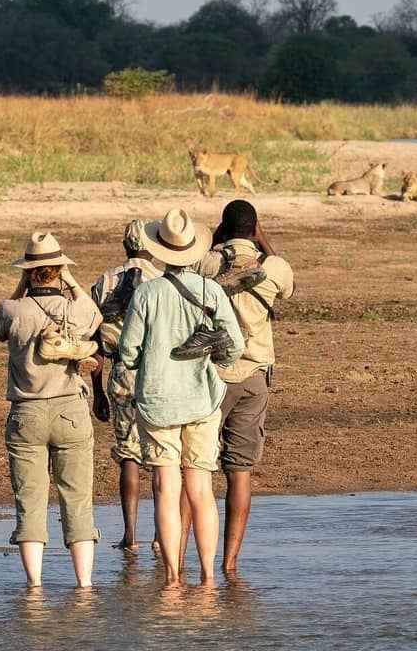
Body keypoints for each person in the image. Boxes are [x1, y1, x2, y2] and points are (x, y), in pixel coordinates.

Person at [117, 208, 244, 586]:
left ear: (161, 250)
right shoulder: (211, 291)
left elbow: (128, 352)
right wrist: (213, 358)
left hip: (157, 402)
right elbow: (235, 347)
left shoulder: (146, 293)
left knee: (166, 490)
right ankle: (208, 577)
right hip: (201, 399)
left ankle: (172, 578)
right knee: (201, 490)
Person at [0, 232, 103, 588]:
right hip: (70, 409)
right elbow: (95, 313)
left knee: (29, 502)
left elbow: (1, 329)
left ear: (28, 272)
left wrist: (21, 285)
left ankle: (35, 587)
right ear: (58, 270)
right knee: (78, 500)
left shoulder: (12, 309)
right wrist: (70, 280)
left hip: (26, 412)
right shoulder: (74, 309)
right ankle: (84, 585)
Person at [198, 199, 294, 572]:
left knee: (197, 470)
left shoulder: (207, 264)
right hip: (254, 375)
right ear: (254, 229)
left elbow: (193, 267)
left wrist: (216, 242)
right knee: (239, 471)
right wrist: (263, 240)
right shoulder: (274, 268)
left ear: (223, 228)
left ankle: (187, 560)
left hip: (212, 377)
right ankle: (229, 563)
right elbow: (288, 285)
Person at [89, 220, 162, 553]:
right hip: (157, 372)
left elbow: (94, 342)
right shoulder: (162, 280)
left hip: (121, 371)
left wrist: (97, 391)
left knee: (128, 454)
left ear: (125, 246)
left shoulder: (104, 281)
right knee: (161, 454)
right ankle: (161, 535)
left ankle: (130, 535)